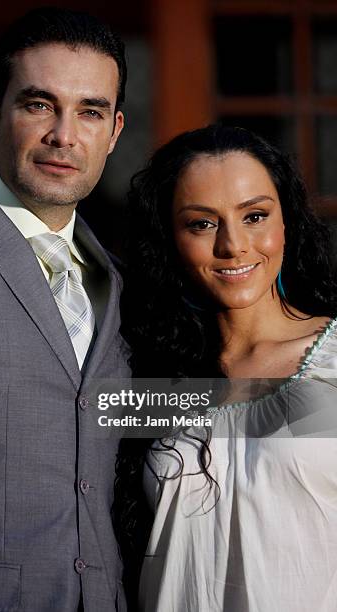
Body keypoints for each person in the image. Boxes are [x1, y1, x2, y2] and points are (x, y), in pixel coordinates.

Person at [0, 8, 130, 612]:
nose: (64, 135)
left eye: (90, 111)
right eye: (40, 105)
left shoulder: (113, 276)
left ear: (114, 131)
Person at [118, 125, 337, 611]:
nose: (233, 245)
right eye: (202, 223)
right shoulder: (145, 372)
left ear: (288, 222)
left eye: (255, 215)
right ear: (169, 239)